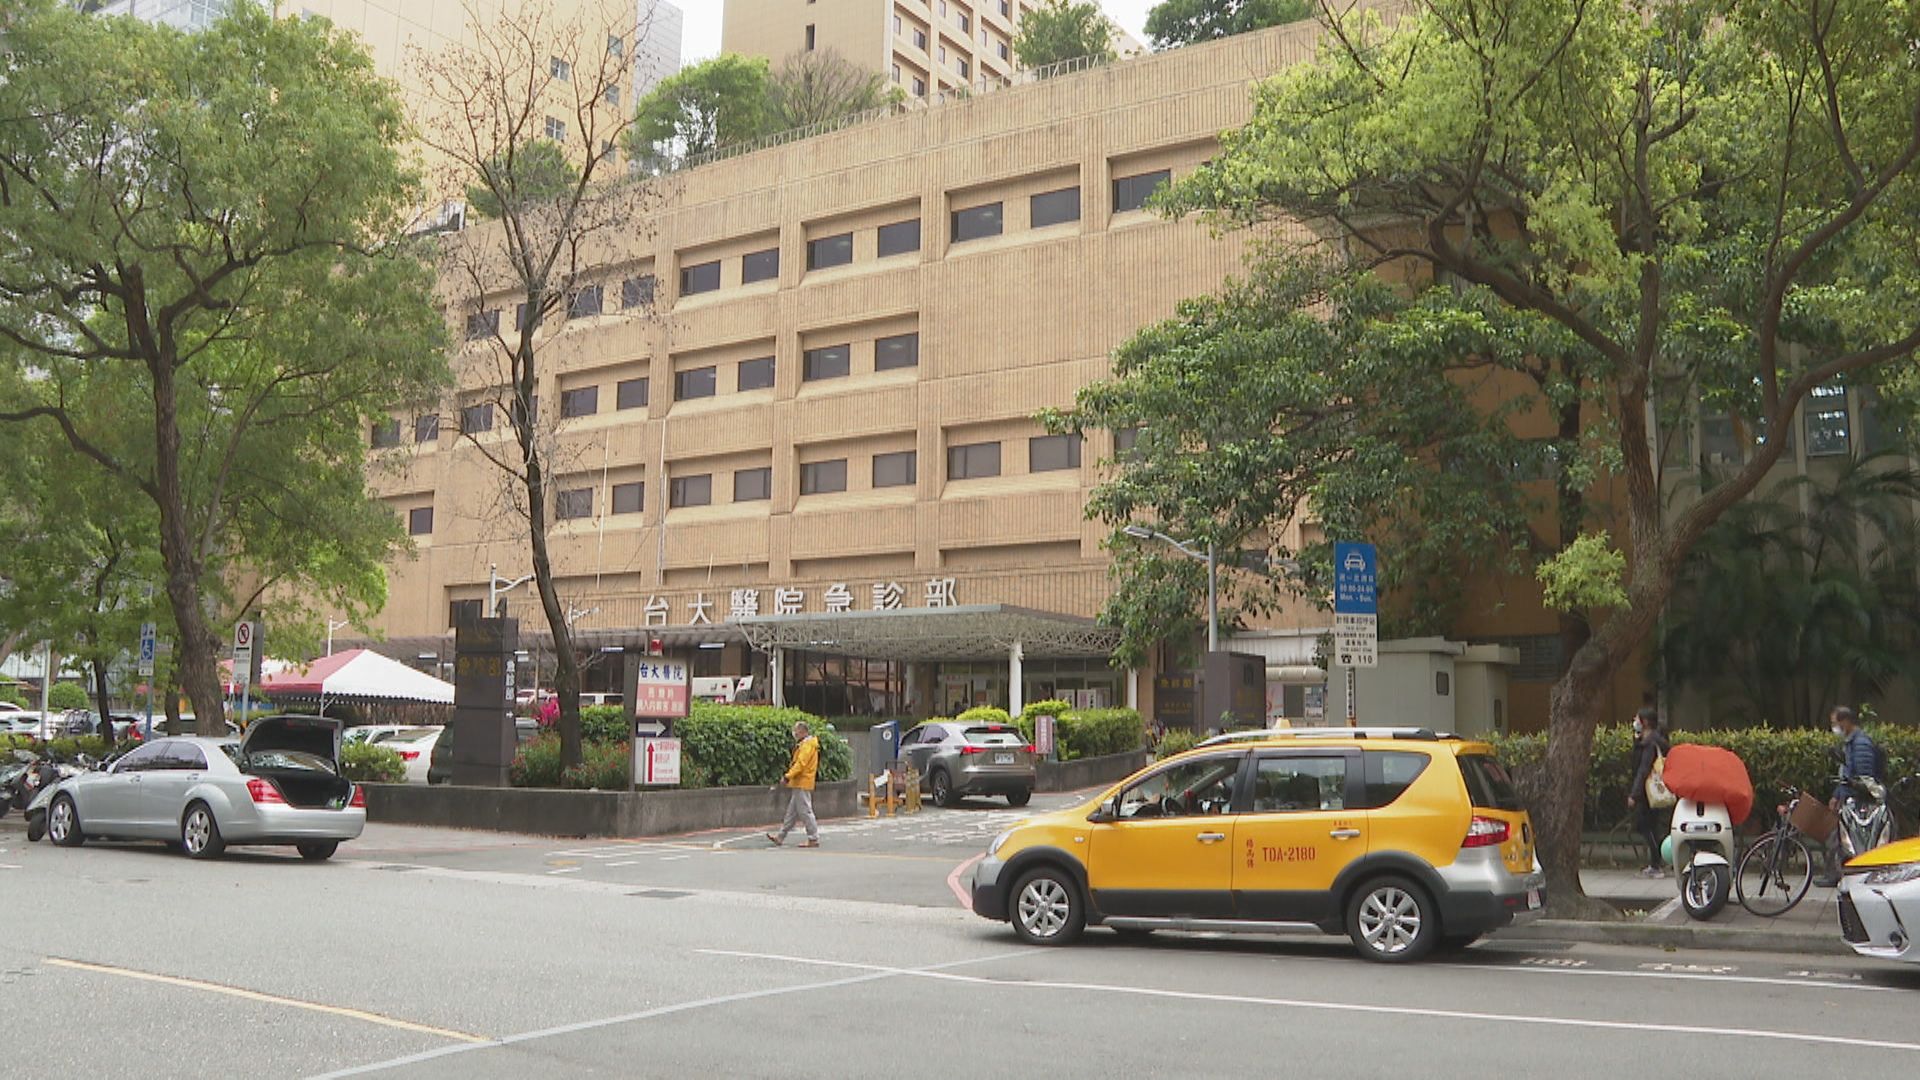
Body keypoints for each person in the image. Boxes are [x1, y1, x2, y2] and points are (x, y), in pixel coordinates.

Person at [1816, 706, 1881, 886]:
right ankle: (1834, 874)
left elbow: (1863, 779)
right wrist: (1837, 795)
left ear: (1845, 722)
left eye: (1835, 723)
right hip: (1849, 799)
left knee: (1845, 839)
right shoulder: (1851, 743)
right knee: (1837, 837)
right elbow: (1846, 774)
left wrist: (1847, 796)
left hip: (1858, 802)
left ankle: (1836, 876)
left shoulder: (1860, 744)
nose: (1834, 727)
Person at [1626, 708, 1670, 878]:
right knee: (1650, 826)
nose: (1634, 722)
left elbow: (1643, 770)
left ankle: (1656, 863)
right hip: (1649, 792)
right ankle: (1657, 861)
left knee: (1645, 826)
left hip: (1648, 792)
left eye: (1637, 719)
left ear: (1644, 722)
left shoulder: (1650, 744)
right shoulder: (1647, 741)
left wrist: (1634, 794)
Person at [767, 721, 820, 848]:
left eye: (796, 731)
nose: (794, 733)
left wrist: (787, 776)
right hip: (799, 782)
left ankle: (813, 838)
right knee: (791, 813)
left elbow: (800, 764)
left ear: (802, 732)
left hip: (802, 782)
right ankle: (780, 837)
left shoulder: (807, 745)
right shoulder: (805, 744)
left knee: (805, 811)